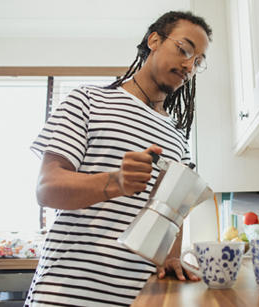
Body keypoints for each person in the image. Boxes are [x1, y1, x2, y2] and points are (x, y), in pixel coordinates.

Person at [25, 10, 212, 307]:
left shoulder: (178, 138)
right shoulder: (87, 101)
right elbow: (46, 188)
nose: (189, 65)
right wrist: (116, 181)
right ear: (154, 40)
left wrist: (172, 257)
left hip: (142, 299)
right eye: (184, 49)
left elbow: (173, 216)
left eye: (198, 61)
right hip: (66, 294)